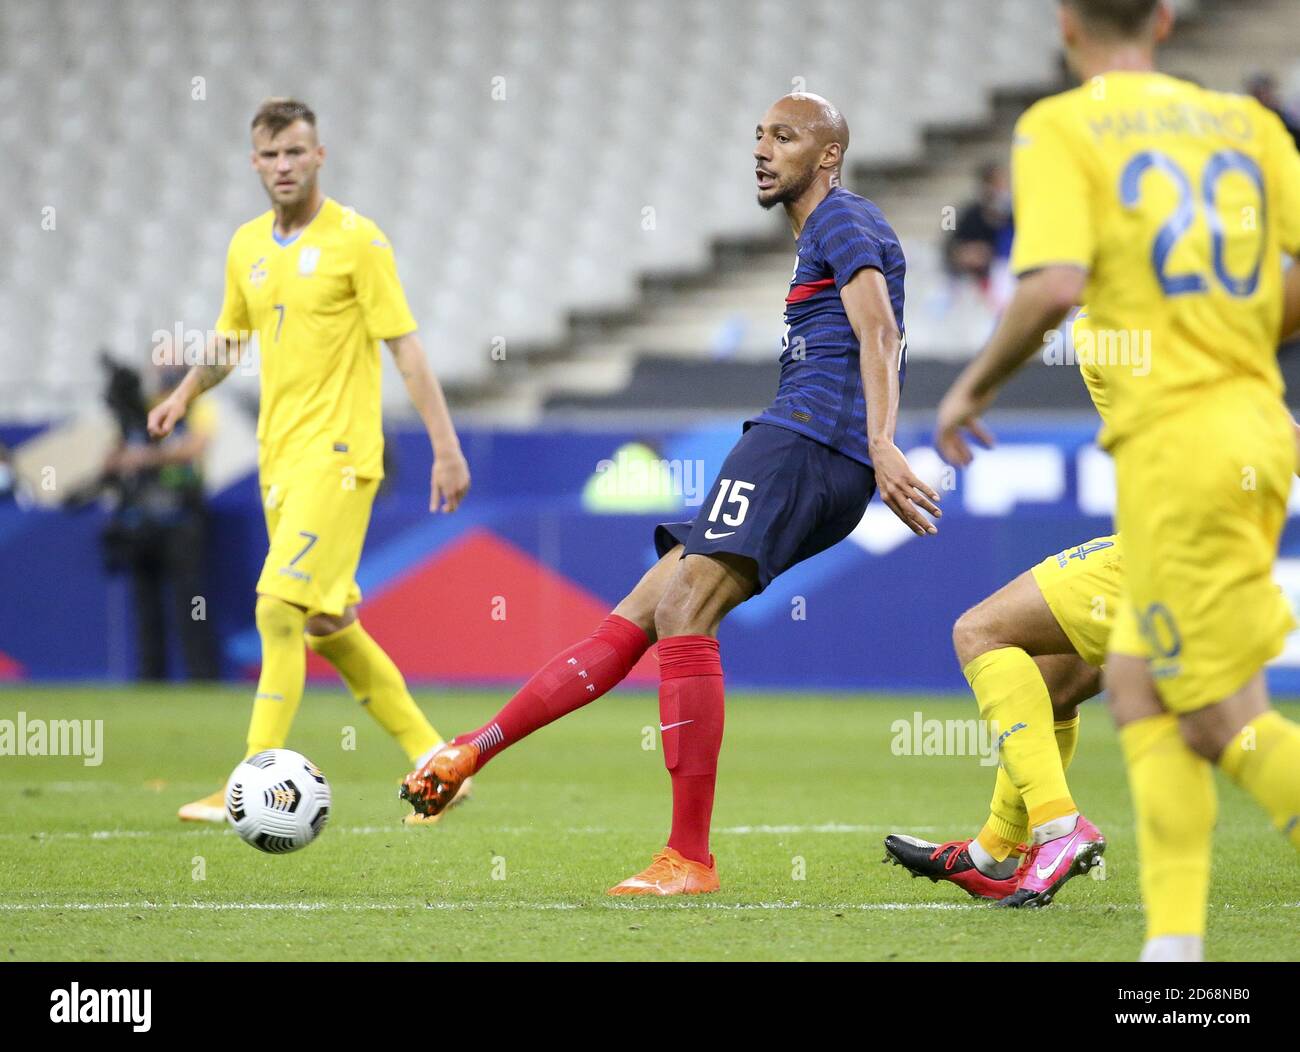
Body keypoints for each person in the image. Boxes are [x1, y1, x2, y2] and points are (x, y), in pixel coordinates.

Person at [401, 93, 940, 895]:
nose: (762, 150)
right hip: (804, 446)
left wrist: (881, 441)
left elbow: (881, 333)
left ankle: (689, 858)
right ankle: (471, 749)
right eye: (757, 135)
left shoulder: (843, 218)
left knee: (687, 609)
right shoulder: (815, 239)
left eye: (784, 138)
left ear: (828, 156)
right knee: (646, 610)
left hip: (807, 443)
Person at [934, 0, 1300, 960]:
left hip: (1186, 462)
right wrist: (1243, 335)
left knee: (1214, 713)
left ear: (1065, 23)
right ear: (1169, 20)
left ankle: (1063, 842)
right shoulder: (1247, 126)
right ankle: (1169, 951)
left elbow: (1050, 285)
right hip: (1256, 440)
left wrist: (969, 388)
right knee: (1140, 687)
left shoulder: (1064, 129)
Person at [148, 98, 471, 824]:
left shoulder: (359, 241)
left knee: (277, 607)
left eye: (297, 152)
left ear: (320, 155)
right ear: (254, 163)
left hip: (341, 456)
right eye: (271, 155)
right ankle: (439, 759)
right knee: (330, 624)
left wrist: (445, 447)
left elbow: (406, 347)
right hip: (279, 462)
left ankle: (246, 787)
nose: (285, 166)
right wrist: (184, 395)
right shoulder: (246, 247)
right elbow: (232, 338)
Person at [104, 349, 220, 681]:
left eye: (173, 363)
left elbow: (196, 447)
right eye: (162, 362)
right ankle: (151, 678)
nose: (168, 369)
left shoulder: (198, 404)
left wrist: (146, 458)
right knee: (146, 604)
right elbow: (114, 456)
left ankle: (203, 676)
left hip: (183, 519)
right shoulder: (142, 407)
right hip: (141, 520)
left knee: (192, 603)